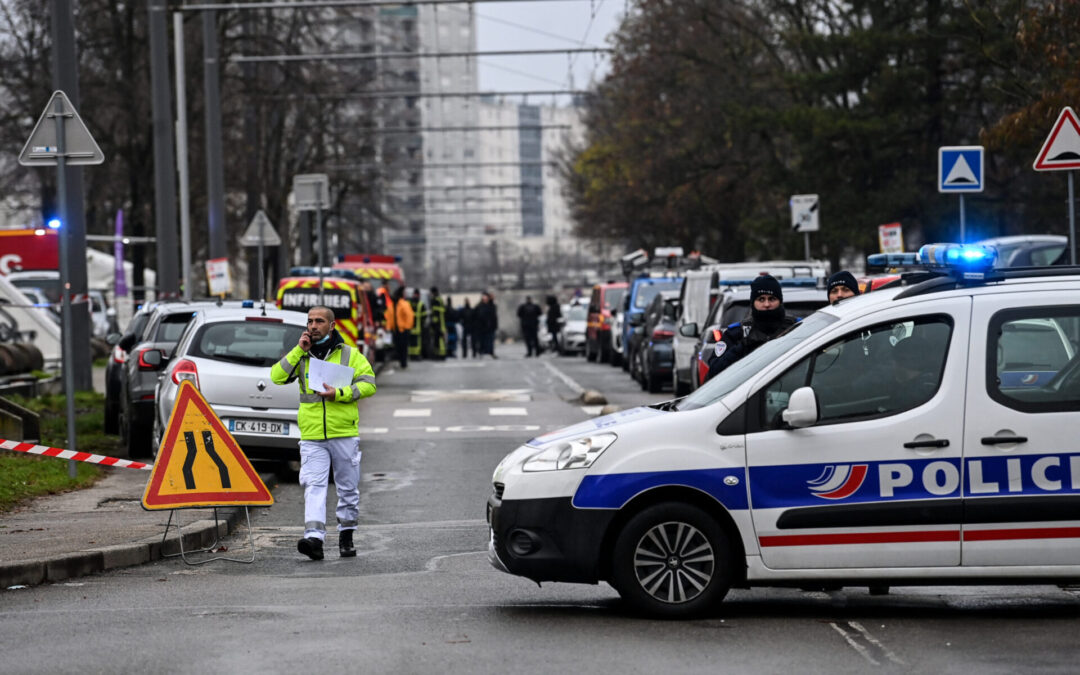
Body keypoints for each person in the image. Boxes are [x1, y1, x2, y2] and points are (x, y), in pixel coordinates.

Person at [270, 306, 377, 560]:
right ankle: (314, 540)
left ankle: (346, 534)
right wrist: (299, 350)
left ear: (332, 325)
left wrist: (339, 394)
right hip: (312, 435)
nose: (313, 325)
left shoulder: (350, 354)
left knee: (347, 488)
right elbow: (276, 376)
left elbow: (369, 384)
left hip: (343, 432)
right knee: (313, 485)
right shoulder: (301, 355)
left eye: (319, 321)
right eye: (310, 321)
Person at [705, 274, 797, 382]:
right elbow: (714, 371)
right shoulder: (737, 333)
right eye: (761, 299)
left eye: (772, 299)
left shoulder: (796, 328)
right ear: (753, 303)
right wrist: (741, 347)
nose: (767, 304)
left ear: (780, 301)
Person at [386, 287, 414, 368]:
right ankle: (402, 361)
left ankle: (403, 362)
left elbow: (409, 316)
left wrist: (406, 327)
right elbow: (389, 316)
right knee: (398, 347)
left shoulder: (403, 304)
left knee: (403, 347)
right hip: (395, 330)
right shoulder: (392, 305)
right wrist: (389, 327)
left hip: (403, 330)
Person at [475, 291, 498, 358]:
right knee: (482, 340)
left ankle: (491, 352)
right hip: (482, 327)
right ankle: (481, 352)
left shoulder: (491, 306)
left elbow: (494, 317)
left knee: (490, 340)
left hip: (490, 326)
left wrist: (494, 325)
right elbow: (477, 316)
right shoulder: (480, 306)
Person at [429, 287, 447, 360]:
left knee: (439, 339)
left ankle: (440, 354)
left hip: (438, 324)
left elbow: (436, 313)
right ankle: (439, 354)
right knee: (439, 339)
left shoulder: (435, 300)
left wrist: (433, 321)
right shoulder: (439, 299)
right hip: (441, 323)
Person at [408, 289, 426, 360]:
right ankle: (417, 355)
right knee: (417, 343)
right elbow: (424, 316)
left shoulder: (409, 303)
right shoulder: (421, 304)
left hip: (409, 327)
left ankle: (411, 355)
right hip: (418, 327)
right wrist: (422, 324)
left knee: (411, 342)